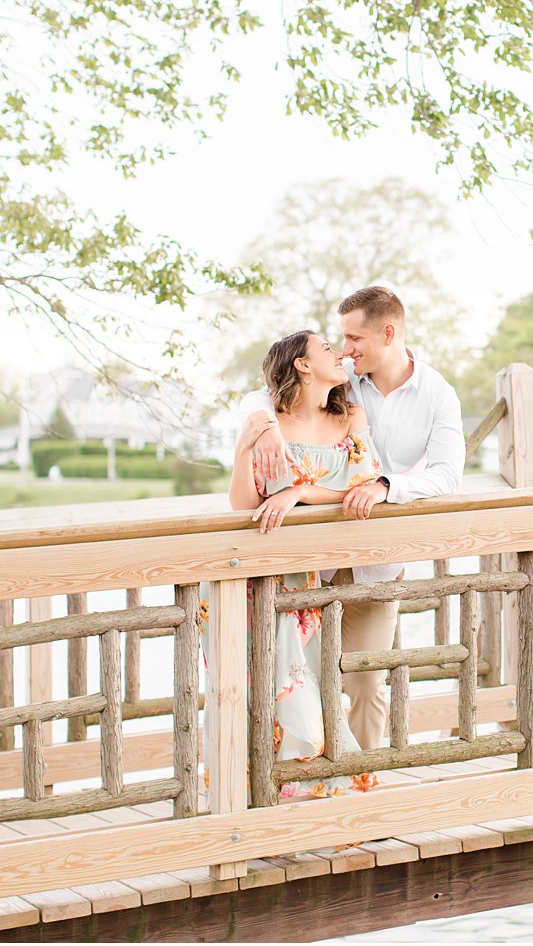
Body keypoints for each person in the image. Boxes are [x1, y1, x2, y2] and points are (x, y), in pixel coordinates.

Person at [237, 286, 465, 749]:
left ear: (388, 332)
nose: (345, 350)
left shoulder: (438, 394)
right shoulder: (341, 378)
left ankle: (361, 783)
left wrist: (385, 487)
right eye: (340, 339)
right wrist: (263, 430)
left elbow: (447, 475)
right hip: (305, 565)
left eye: (353, 338)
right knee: (297, 681)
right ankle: (300, 785)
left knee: (365, 681)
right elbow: (261, 395)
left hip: (377, 558)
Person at [226, 329, 380, 799]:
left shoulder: (350, 416)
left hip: (307, 577)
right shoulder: (266, 421)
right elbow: (242, 503)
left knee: (306, 685)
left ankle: (317, 796)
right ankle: (262, 800)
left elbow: (364, 485)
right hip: (260, 573)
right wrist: (243, 451)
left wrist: (298, 492)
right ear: (303, 365)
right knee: (256, 689)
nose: (339, 354)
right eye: (327, 350)